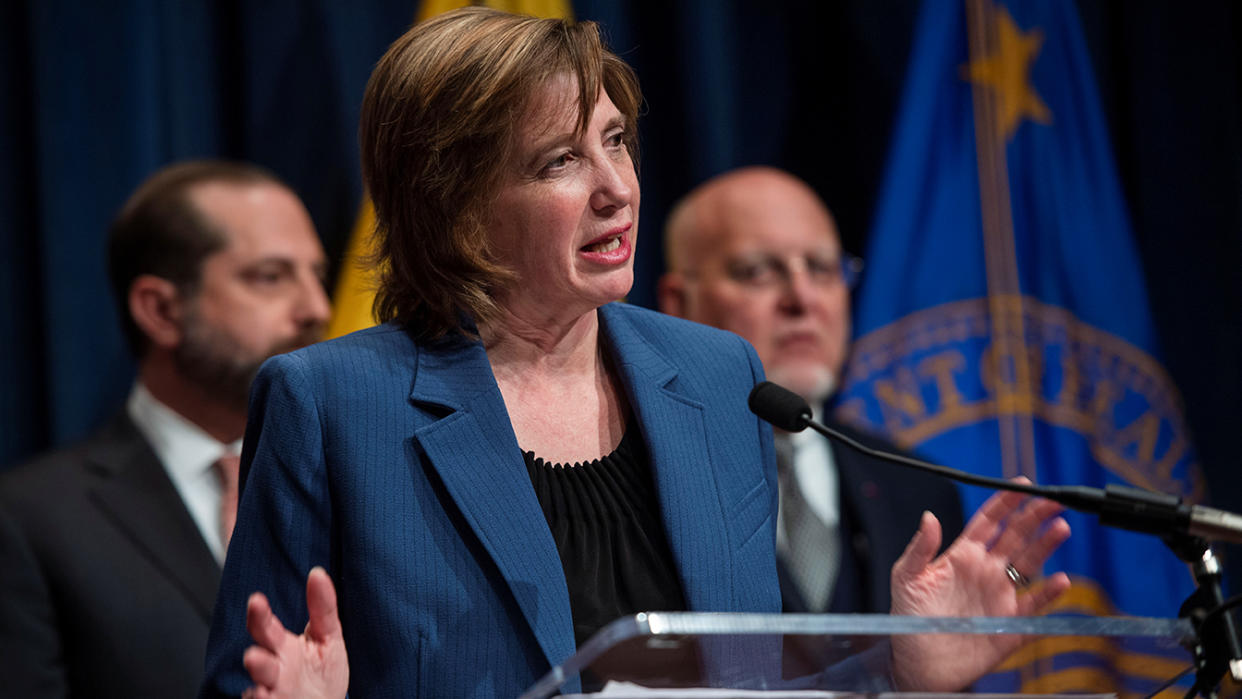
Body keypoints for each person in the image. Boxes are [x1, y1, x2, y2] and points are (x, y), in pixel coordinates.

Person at [200, 8, 1070, 698]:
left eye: (616, 141)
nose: (617, 188)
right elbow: (256, 673)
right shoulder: (334, 404)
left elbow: (751, 688)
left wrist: (899, 667)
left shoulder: (718, 375)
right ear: (456, 205)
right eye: (559, 162)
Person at [0, 160, 331, 698]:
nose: (316, 308)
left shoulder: (361, 482)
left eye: (317, 275)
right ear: (161, 311)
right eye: (270, 277)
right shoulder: (27, 521)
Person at [658, 166, 965, 614]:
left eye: (822, 268)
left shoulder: (920, 492)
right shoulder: (638, 485)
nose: (803, 299)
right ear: (678, 304)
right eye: (758, 271)